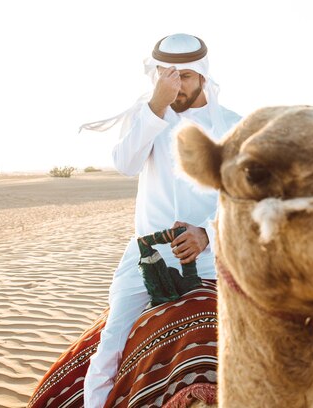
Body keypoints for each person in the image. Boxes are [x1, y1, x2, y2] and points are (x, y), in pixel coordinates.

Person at [80, 33, 241, 407]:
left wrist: (208, 234)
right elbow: (125, 164)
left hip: (213, 256)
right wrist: (156, 108)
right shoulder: (147, 116)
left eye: (185, 76)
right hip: (147, 257)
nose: (176, 85)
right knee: (109, 349)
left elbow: (245, 197)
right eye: (167, 76)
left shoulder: (232, 125)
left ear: (203, 75)